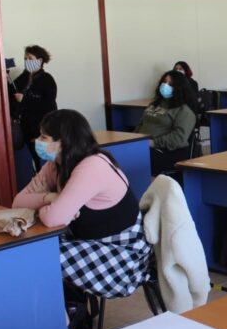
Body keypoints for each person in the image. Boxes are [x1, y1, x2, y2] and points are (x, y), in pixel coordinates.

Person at [12, 109, 152, 317]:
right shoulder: (55, 166)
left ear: (65, 141)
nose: (37, 141)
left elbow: (53, 218)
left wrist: (48, 207)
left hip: (123, 259)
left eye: (44, 137)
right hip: (92, 244)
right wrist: (49, 199)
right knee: (34, 251)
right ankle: (66, 315)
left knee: (40, 257)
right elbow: (18, 202)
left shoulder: (92, 166)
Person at [135, 70, 199, 176]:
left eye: (170, 84)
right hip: (144, 146)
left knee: (135, 158)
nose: (165, 85)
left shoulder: (184, 110)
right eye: (164, 82)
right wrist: (132, 141)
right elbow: (140, 125)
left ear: (179, 88)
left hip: (167, 152)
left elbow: (178, 138)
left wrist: (153, 143)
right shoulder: (154, 104)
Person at [9, 44, 58, 169]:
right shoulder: (24, 77)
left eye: (30, 58)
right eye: (25, 59)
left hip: (39, 127)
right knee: (28, 161)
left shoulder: (47, 79)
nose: (27, 61)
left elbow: (48, 104)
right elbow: (10, 92)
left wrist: (24, 100)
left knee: (43, 161)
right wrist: (6, 79)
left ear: (40, 60)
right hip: (24, 127)